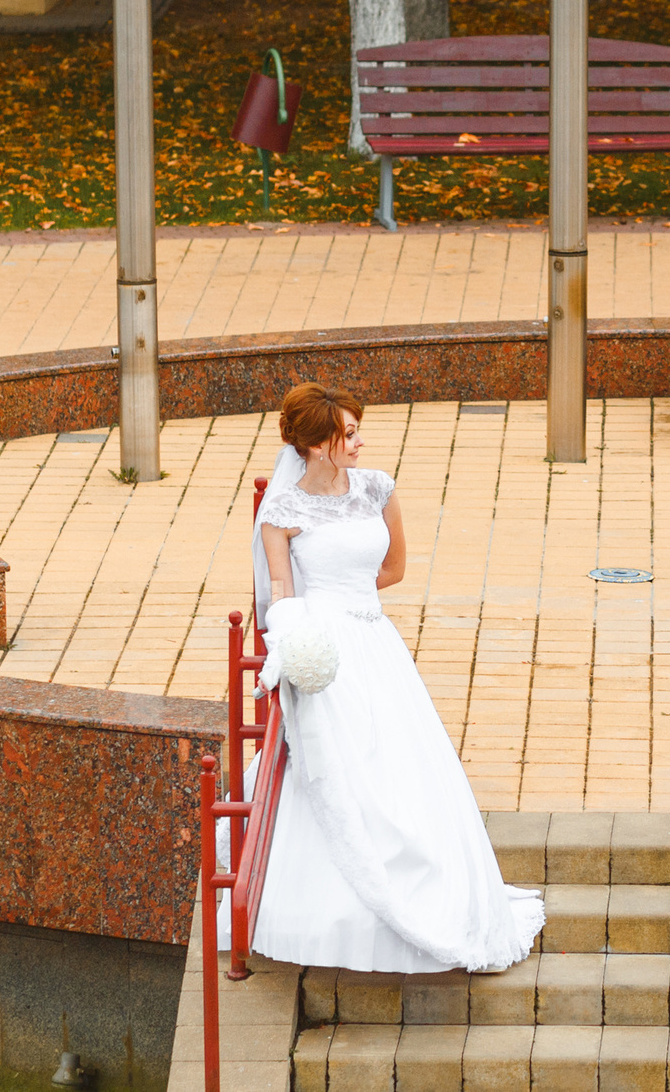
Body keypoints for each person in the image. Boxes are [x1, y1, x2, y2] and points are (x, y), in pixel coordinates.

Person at [222, 383, 543, 973]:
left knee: (399, 758)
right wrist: (306, 640)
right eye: (348, 433)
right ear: (318, 446)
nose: (360, 440)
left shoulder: (376, 488)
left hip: (373, 640)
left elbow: (393, 567)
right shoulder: (283, 511)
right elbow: (281, 594)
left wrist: (353, 607)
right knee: (337, 765)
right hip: (323, 646)